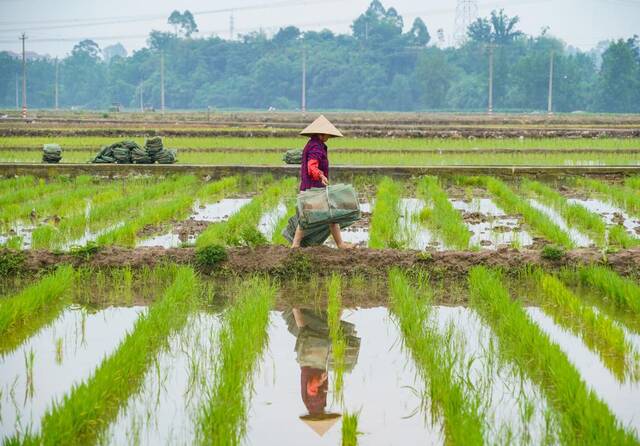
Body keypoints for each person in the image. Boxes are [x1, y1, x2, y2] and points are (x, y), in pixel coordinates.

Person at [291, 115, 354, 249]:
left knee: (330, 216)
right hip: (313, 188)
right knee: (309, 216)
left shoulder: (314, 144)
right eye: (327, 134)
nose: (328, 137)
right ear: (321, 133)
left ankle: (339, 244)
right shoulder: (316, 147)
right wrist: (321, 175)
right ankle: (295, 244)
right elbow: (311, 166)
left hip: (314, 187)